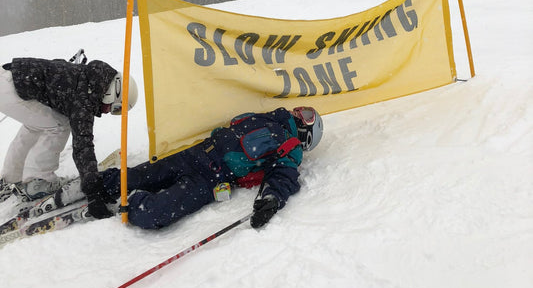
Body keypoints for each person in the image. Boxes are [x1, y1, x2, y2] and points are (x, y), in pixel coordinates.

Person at [57, 106, 323, 229]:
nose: (300, 113)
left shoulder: (291, 147)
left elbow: (283, 177)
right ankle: (94, 185)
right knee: (141, 175)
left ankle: (128, 204)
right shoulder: (271, 116)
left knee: (155, 213)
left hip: (211, 180)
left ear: (307, 133)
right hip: (196, 154)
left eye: (307, 116)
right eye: (303, 110)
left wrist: (270, 199)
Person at [0, 57, 138, 218]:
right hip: (11, 88)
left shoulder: (87, 77)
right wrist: (93, 191)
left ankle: (12, 176)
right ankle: (38, 181)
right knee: (58, 125)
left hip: (8, 80)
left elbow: (57, 66)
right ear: (112, 93)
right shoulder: (84, 97)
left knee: (36, 125)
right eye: (115, 108)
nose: (107, 112)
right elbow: (82, 145)